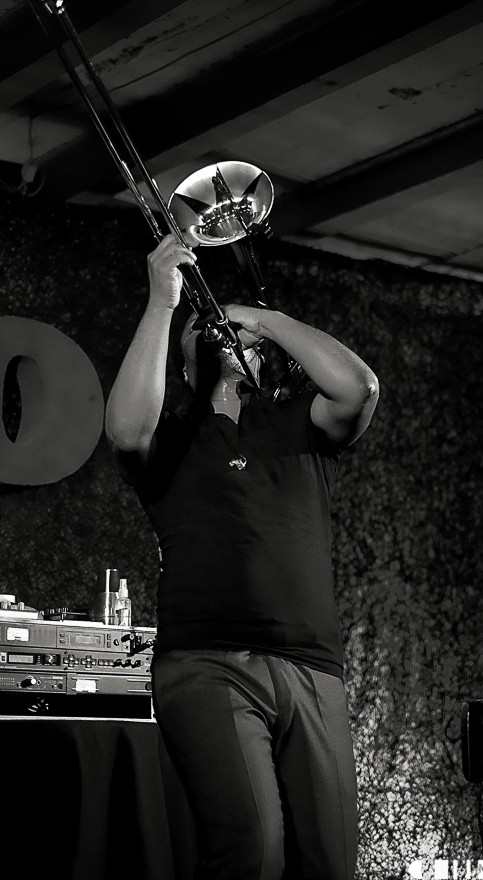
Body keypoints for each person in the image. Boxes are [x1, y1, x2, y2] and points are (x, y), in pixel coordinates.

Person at [105, 234, 379, 880]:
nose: (219, 326)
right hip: (207, 661)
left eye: (232, 327)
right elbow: (123, 431)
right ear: (183, 365)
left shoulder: (297, 420)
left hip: (313, 665)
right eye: (203, 326)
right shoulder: (172, 436)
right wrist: (163, 304)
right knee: (252, 854)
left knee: (331, 863)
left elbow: (360, 388)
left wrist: (263, 317)